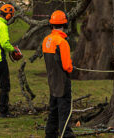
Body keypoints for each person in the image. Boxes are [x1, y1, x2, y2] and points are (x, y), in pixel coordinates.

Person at [42, 10, 75, 138]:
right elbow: (67, 66)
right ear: (65, 24)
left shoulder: (46, 40)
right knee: (64, 110)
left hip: (52, 80)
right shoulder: (62, 42)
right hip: (62, 81)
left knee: (53, 109)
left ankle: (50, 133)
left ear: (51, 25)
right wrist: (71, 68)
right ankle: (66, 134)